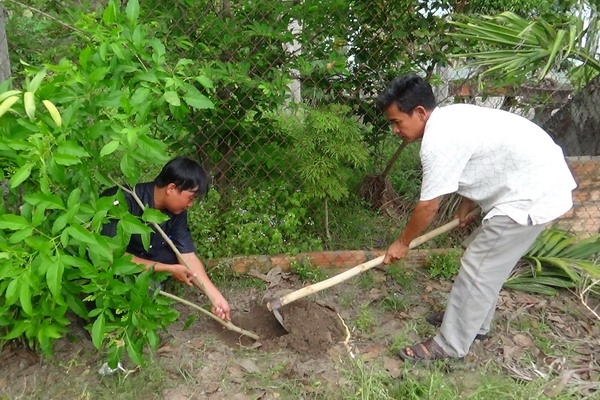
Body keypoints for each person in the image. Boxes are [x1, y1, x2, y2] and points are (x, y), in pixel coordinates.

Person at [375, 74, 576, 362]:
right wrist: (467, 204)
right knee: (483, 262)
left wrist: (402, 243)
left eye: (396, 122)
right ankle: (474, 323)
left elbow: (428, 206)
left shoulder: (438, 140)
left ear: (419, 112)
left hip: (531, 193)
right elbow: (478, 159)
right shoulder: (450, 118)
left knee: (479, 266)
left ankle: (450, 345)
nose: (395, 130)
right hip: (532, 180)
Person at [101, 156, 231, 321]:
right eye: (191, 198)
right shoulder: (121, 201)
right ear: (171, 188)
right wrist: (166, 269)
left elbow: (187, 255)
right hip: (111, 272)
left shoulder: (176, 212)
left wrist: (215, 297)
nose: (191, 204)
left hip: (145, 262)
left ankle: (146, 292)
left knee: (171, 256)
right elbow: (110, 257)